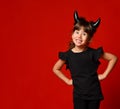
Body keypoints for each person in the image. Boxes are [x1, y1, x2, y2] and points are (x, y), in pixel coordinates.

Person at [53, 11, 118, 109]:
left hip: (94, 94)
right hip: (79, 95)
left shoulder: (93, 53)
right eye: (77, 32)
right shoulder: (68, 55)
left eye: (84, 34)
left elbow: (113, 58)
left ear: (89, 38)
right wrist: (67, 81)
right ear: (72, 33)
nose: (79, 36)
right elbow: (55, 69)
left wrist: (104, 75)